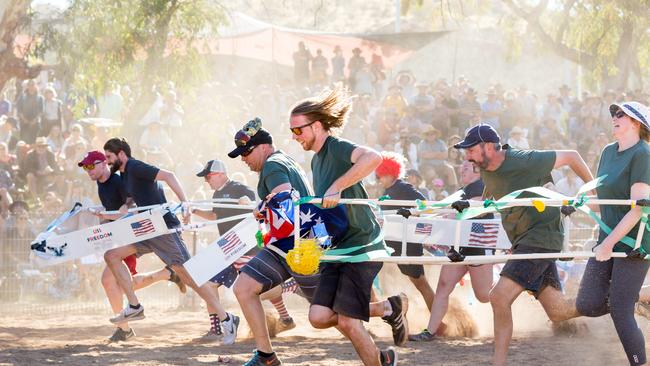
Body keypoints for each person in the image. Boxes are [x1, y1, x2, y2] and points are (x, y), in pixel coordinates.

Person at [453, 124, 594, 366]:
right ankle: (620, 299)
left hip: (541, 239)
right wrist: (481, 203)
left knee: (498, 296)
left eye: (471, 149)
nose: (466, 155)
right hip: (524, 242)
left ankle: (499, 363)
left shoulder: (525, 159)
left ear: (489, 147)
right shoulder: (486, 167)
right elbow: (495, 187)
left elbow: (572, 156)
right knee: (558, 312)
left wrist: (593, 191)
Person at [289, 88, 404, 366]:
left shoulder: (337, 147)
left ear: (316, 126)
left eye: (298, 130)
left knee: (348, 322)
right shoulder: (316, 160)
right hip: (337, 247)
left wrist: (337, 186)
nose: (295, 136)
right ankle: (390, 308)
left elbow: (373, 158)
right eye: (292, 131)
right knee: (319, 317)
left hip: (361, 245)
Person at [101, 138, 240, 345]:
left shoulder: (136, 166)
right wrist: (121, 208)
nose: (107, 162)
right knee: (111, 256)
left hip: (164, 228)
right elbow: (136, 198)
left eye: (109, 157)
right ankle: (134, 306)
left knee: (191, 279)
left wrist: (184, 202)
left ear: (121, 154)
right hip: (148, 229)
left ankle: (228, 319)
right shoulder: (125, 174)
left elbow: (168, 176)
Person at [228, 119, 321, 366]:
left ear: (264, 147)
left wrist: (263, 207)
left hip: (297, 246)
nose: (244, 159)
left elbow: (283, 197)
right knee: (244, 288)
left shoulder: (272, 166)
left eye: (247, 152)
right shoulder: (284, 160)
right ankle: (266, 356)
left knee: (327, 312)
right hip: (294, 244)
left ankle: (387, 308)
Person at [78, 150, 186, 342]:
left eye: (90, 166)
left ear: (103, 163)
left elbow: (135, 201)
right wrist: (104, 216)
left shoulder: (119, 180)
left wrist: (122, 210)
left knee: (113, 282)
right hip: (121, 237)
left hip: (133, 235)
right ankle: (166, 276)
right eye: (85, 167)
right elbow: (114, 209)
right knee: (117, 282)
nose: (88, 170)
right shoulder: (101, 185)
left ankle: (126, 324)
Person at [575, 101, 650, 365]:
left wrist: (607, 244)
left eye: (621, 114)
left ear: (636, 123)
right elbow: (604, 199)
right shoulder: (607, 152)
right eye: (614, 114)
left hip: (634, 241)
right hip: (606, 237)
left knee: (620, 311)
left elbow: (638, 209)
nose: (614, 117)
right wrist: (578, 202)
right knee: (586, 303)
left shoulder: (643, 154)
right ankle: (639, 296)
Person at [191, 158, 296, 342]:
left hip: (247, 247)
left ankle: (289, 291)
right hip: (228, 250)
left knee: (258, 290)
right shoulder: (217, 195)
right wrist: (194, 211)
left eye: (208, 176)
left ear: (221, 174)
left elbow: (255, 203)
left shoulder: (239, 187)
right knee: (209, 283)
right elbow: (215, 215)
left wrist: (246, 201)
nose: (207, 181)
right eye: (205, 178)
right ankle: (217, 327)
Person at [410, 160, 494, 341]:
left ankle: (513, 285)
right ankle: (430, 331)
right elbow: (449, 211)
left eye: (466, 168)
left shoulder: (481, 186)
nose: (461, 170)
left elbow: (477, 205)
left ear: (477, 171)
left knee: (484, 295)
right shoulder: (464, 190)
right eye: (461, 167)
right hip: (460, 245)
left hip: (478, 245)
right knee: (443, 287)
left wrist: (448, 214)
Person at [374, 151, 436, 315]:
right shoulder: (388, 191)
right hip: (395, 243)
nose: (378, 179)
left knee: (421, 283)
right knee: (419, 283)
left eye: (380, 175)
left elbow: (424, 204)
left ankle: (439, 321)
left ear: (389, 173)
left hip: (407, 243)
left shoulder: (402, 187)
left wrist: (410, 212)